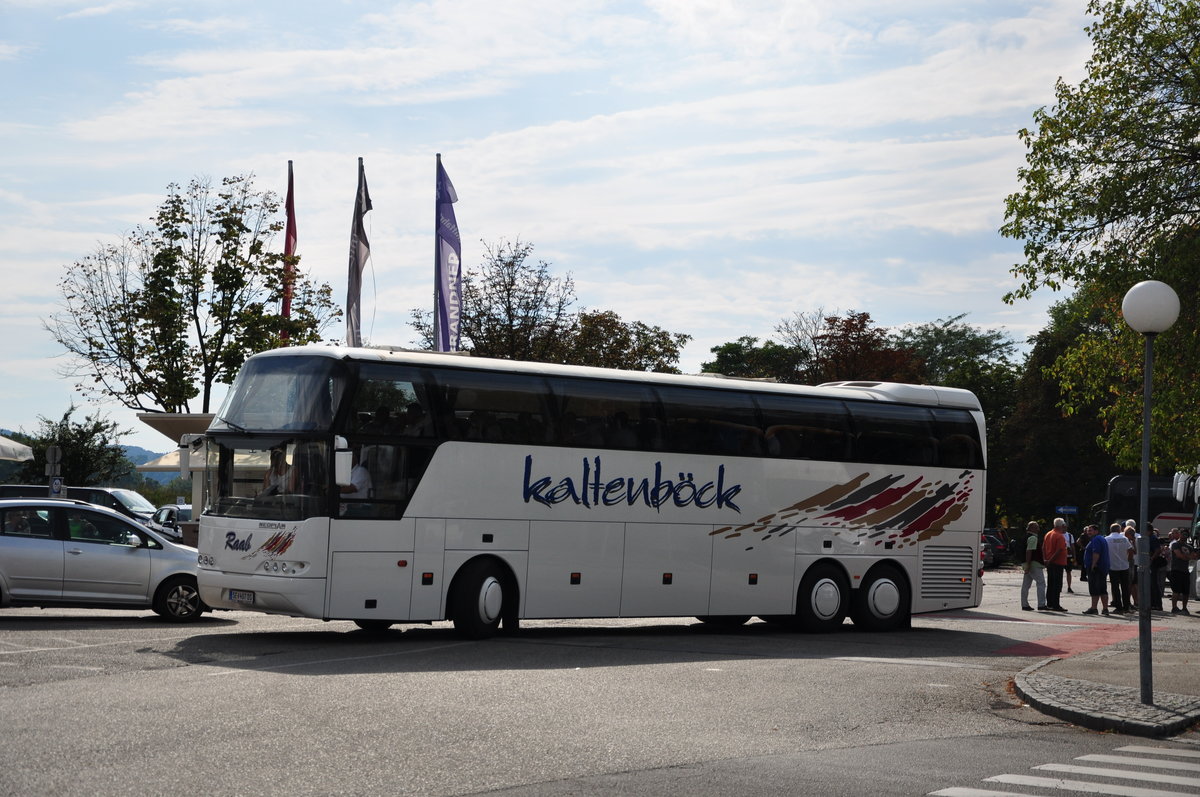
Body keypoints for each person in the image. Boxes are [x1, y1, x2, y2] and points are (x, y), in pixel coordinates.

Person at [1080, 524, 1111, 615]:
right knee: (1102, 588)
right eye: (1088, 530)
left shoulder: (1096, 539)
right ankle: (1104, 609)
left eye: (1091, 530)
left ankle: (1094, 608)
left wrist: (1093, 565)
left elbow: (1096, 552)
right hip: (1101, 567)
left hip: (1096, 568)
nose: (1088, 532)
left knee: (1094, 588)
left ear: (1096, 531)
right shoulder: (1101, 538)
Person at [1168, 529, 1198, 614]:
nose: (1184, 536)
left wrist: (1187, 557)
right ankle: (1174, 608)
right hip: (1176, 570)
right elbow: (1179, 555)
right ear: (1180, 534)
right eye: (1183, 534)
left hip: (1185, 570)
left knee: (1186, 591)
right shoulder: (1175, 544)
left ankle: (1184, 608)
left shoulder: (1190, 547)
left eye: (1186, 535)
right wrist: (1188, 557)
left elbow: (1193, 557)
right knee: (1176, 590)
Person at [1043, 518, 1070, 611]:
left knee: (1051, 584)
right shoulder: (1059, 536)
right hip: (1057, 563)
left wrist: (1045, 559)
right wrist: (1050, 560)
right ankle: (1056, 605)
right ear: (1062, 526)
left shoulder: (1048, 534)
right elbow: (1059, 550)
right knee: (1057, 585)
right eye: (1064, 526)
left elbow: (1043, 548)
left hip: (1050, 562)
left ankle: (1050, 603)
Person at [1020, 521, 1047, 611]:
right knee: (1041, 583)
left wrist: (1026, 565)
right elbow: (1029, 551)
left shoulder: (1024, 537)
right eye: (1036, 527)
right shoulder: (1033, 538)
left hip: (1026, 563)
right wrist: (1028, 565)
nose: (1038, 529)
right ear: (1031, 528)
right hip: (1033, 564)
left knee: (1026, 585)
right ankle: (1041, 604)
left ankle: (1024, 604)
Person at [1106, 521, 1133, 612]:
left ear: (1110, 530)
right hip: (1124, 566)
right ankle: (1126, 607)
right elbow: (1130, 550)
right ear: (1119, 530)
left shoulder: (1107, 539)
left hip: (1113, 566)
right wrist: (1128, 559)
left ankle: (1118, 607)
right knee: (1125, 587)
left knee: (1115, 587)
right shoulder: (1124, 539)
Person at [1150, 527, 1170, 611]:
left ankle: (1157, 604)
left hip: (1154, 565)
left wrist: (1151, 559)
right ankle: (1154, 604)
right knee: (1153, 585)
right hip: (1155, 564)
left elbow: (1157, 550)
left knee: (1154, 585)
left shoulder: (1153, 538)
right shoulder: (1153, 538)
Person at [1064, 526, 1077, 593]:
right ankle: (1058, 586)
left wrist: (1074, 557)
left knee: (1068, 571)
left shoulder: (1069, 535)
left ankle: (1069, 587)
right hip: (1060, 556)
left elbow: (1072, 546)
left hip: (1068, 556)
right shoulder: (1058, 535)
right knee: (1059, 572)